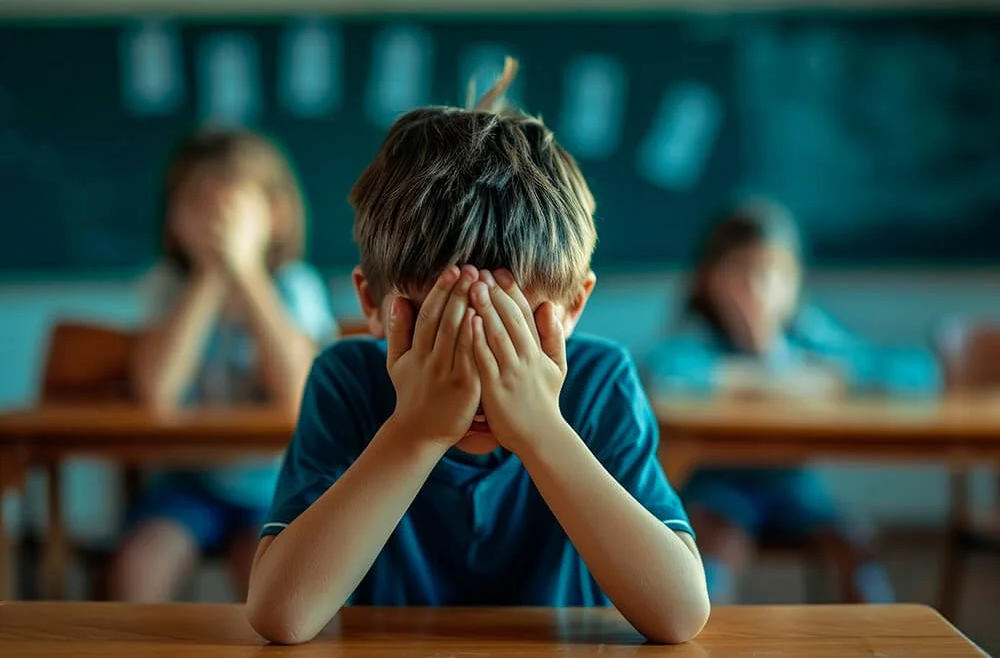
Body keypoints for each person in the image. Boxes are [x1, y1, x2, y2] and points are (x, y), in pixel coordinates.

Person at [246, 59, 710, 646]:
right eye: (438, 330)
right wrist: (416, 431)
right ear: (372, 303)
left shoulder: (599, 383)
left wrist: (541, 429)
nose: (478, 374)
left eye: (513, 334)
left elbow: (680, 613)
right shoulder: (346, 381)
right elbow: (281, 615)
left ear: (573, 308)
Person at [647, 198, 942, 604]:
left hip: (796, 491)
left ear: (795, 281)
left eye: (772, 274)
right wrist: (771, 364)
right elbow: (665, 374)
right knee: (706, 559)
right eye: (740, 273)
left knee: (856, 546)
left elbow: (916, 373)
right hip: (718, 487)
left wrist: (781, 359)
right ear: (708, 278)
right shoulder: (696, 340)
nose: (757, 291)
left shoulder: (808, 335)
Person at [110, 130, 336, 602]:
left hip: (277, 485)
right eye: (198, 206)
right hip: (189, 480)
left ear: (274, 215)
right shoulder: (166, 289)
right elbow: (157, 392)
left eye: (229, 209)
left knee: (265, 580)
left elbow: (298, 394)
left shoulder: (295, 288)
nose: (215, 224)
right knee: (140, 563)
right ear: (174, 219)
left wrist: (246, 273)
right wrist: (210, 277)